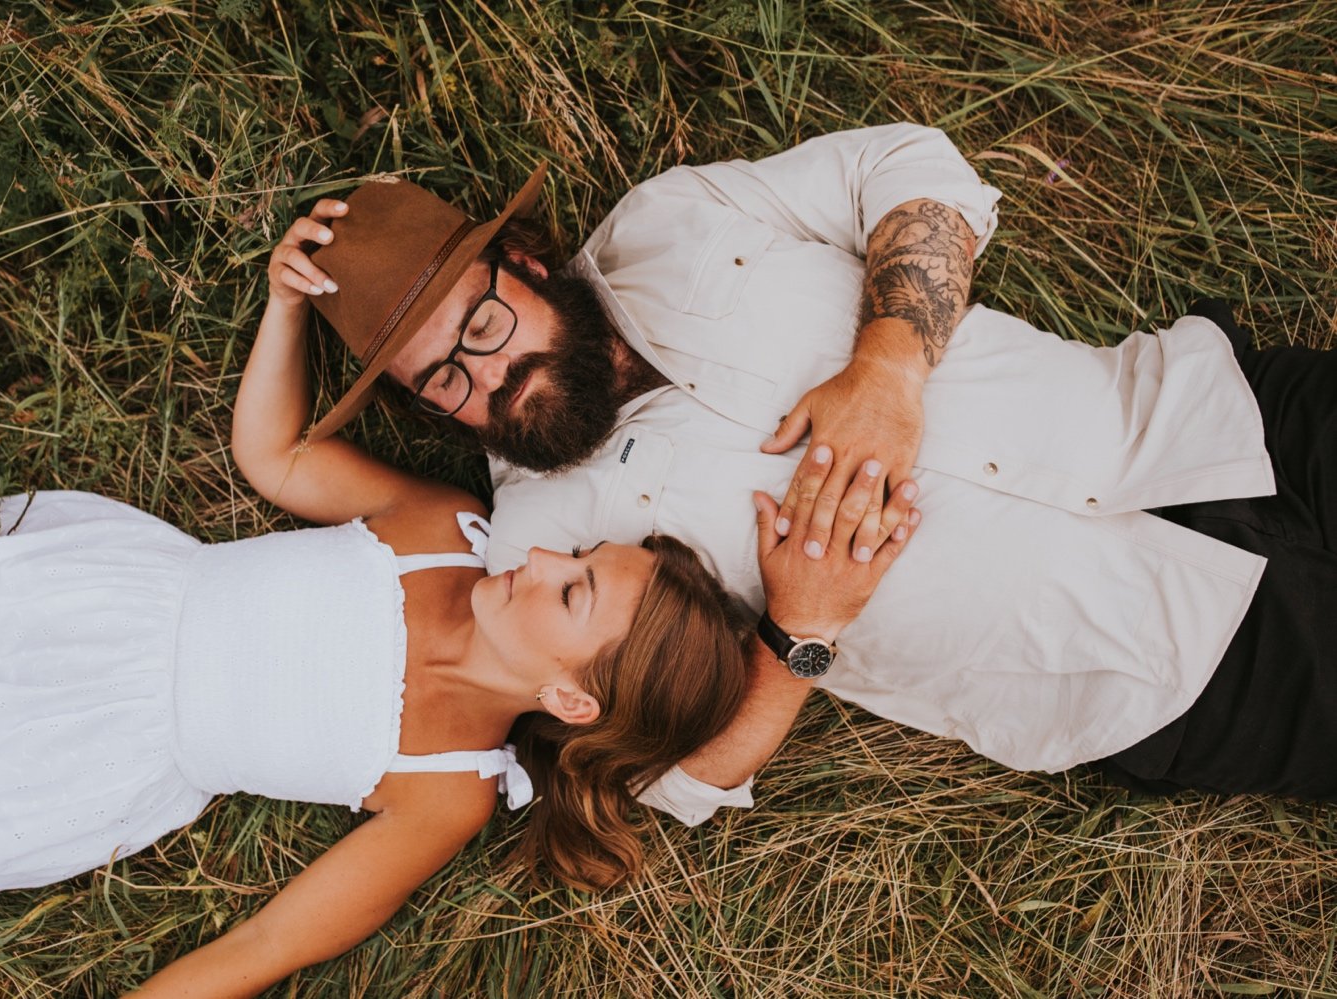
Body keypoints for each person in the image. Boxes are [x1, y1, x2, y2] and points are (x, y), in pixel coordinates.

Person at [0, 189, 885, 995]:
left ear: (573, 700)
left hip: (88, 750)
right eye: (581, 556)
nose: (546, 558)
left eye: (570, 594)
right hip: (103, 600)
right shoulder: (443, 533)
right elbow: (282, 457)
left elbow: (262, 948)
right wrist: (287, 307)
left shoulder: (447, 789)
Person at [290, 121, 1337, 825]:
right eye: (443, 382)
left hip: (1213, 417)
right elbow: (668, 779)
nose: (489, 378)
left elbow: (915, 165)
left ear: (520, 260)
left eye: (480, 322)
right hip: (1156, 674)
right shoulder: (537, 547)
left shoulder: (672, 222)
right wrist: (799, 633)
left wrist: (887, 362)